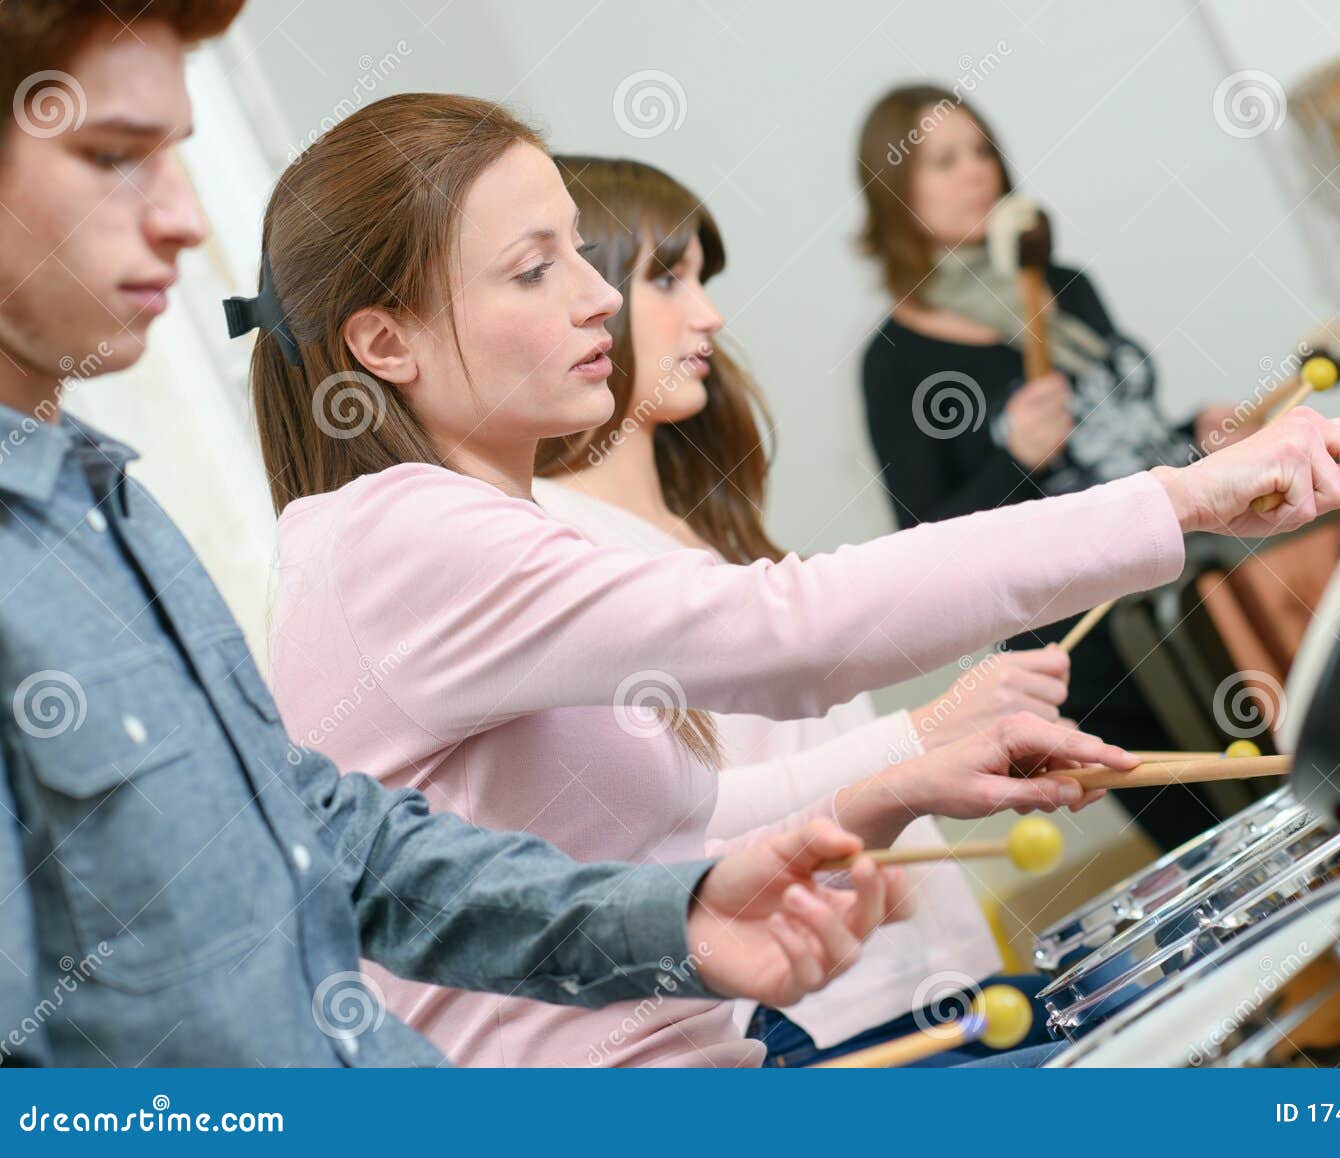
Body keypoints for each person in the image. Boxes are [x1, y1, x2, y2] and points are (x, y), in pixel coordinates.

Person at [243, 92, 1340, 1067]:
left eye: (581, 254)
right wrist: (1191, 494)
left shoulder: (445, 532)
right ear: (382, 344)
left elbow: (670, 840)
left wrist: (909, 757)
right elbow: (793, 625)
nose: (598, 295)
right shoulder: (397, 539)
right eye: (532, 269)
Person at [0, 0, 913, 1069]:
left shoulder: (112, 506)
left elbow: (339, 845)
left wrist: (675, 923)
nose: (186, 221)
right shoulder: (392, 532)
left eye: (175, 157)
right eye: (114, 156)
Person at [532, 154, 1075, 1065]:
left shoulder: (708, 521)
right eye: (666, 277)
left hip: (930, 978)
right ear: (584, 299)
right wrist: (924, 737)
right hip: (822, 1020)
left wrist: (942, 748)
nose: (706, 314)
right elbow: (663, 828)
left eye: (702, 278)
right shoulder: (561, 547)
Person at [856, 84, 1266, 849]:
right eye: (945, 160)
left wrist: (1194, 439)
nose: (977, 172)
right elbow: (921, 546)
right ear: (895, 195)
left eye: (982, 151)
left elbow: (1119, 453)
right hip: (1097, 647)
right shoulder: (895, 360)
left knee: (1309, 773)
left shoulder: (1066, 289)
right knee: (1223, 837)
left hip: (1198, 583)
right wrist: (1013, 459)